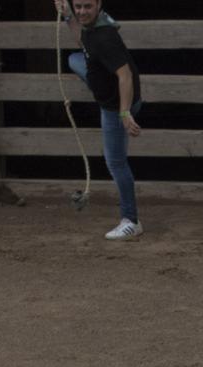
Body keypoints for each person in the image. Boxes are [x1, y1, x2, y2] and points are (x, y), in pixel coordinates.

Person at [57, 0, 144, 241]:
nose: (82, 12)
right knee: (74, 59)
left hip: (115, 104)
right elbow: (82, 43)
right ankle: (96, 82)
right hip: (109, 89)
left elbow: (125, 76)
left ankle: (131, 220)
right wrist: (67, 17)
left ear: (98, 5)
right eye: (78, 7)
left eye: (88, 7)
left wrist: (125, 113)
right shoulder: (92, 30)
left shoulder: (105, 38)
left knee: (115, 162)